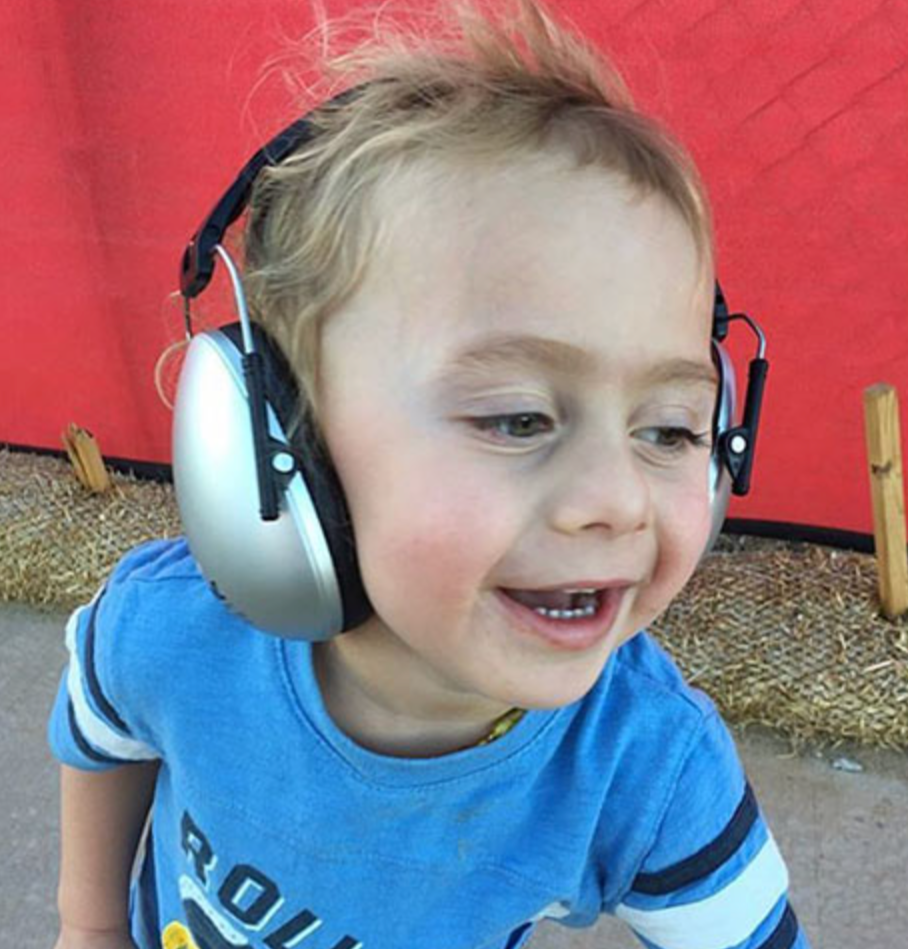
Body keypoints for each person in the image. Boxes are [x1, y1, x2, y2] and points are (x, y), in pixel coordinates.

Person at [48, 2, 809, 948]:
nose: (616, 500)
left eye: (667, 429)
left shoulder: (642, 768)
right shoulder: (172, 628)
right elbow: (103, 728)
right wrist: (86, 928)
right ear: (278, 442)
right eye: (518, 417)